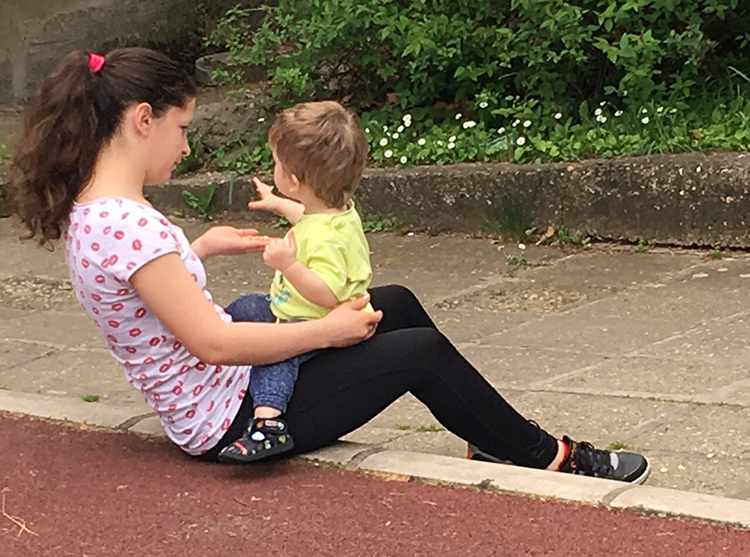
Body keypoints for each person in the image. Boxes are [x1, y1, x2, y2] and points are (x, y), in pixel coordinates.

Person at [9, 47, 650, 484]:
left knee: (393, 302)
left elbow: (141, 295)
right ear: (142, 120)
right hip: (234, 419)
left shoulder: (102, 212)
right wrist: (327, 331)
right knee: (420, 352)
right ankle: (548, 456)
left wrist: (196, 251)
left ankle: (492, 437)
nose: (185, 146)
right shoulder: (127, 224)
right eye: (182, 129)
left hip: (229, 390)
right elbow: (213, 342)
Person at [217, 101, 375, 464]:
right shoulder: (335, 212)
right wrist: (278, 204)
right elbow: (307, 214)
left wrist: (288, 266)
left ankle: (268, 422)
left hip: (318, 320)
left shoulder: (325, 239)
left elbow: (327, 291)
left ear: (293, 180)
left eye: (276, 162)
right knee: (246, 305)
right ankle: (217, 342)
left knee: (274, 355)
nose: (273, 167)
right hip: (294, 307)